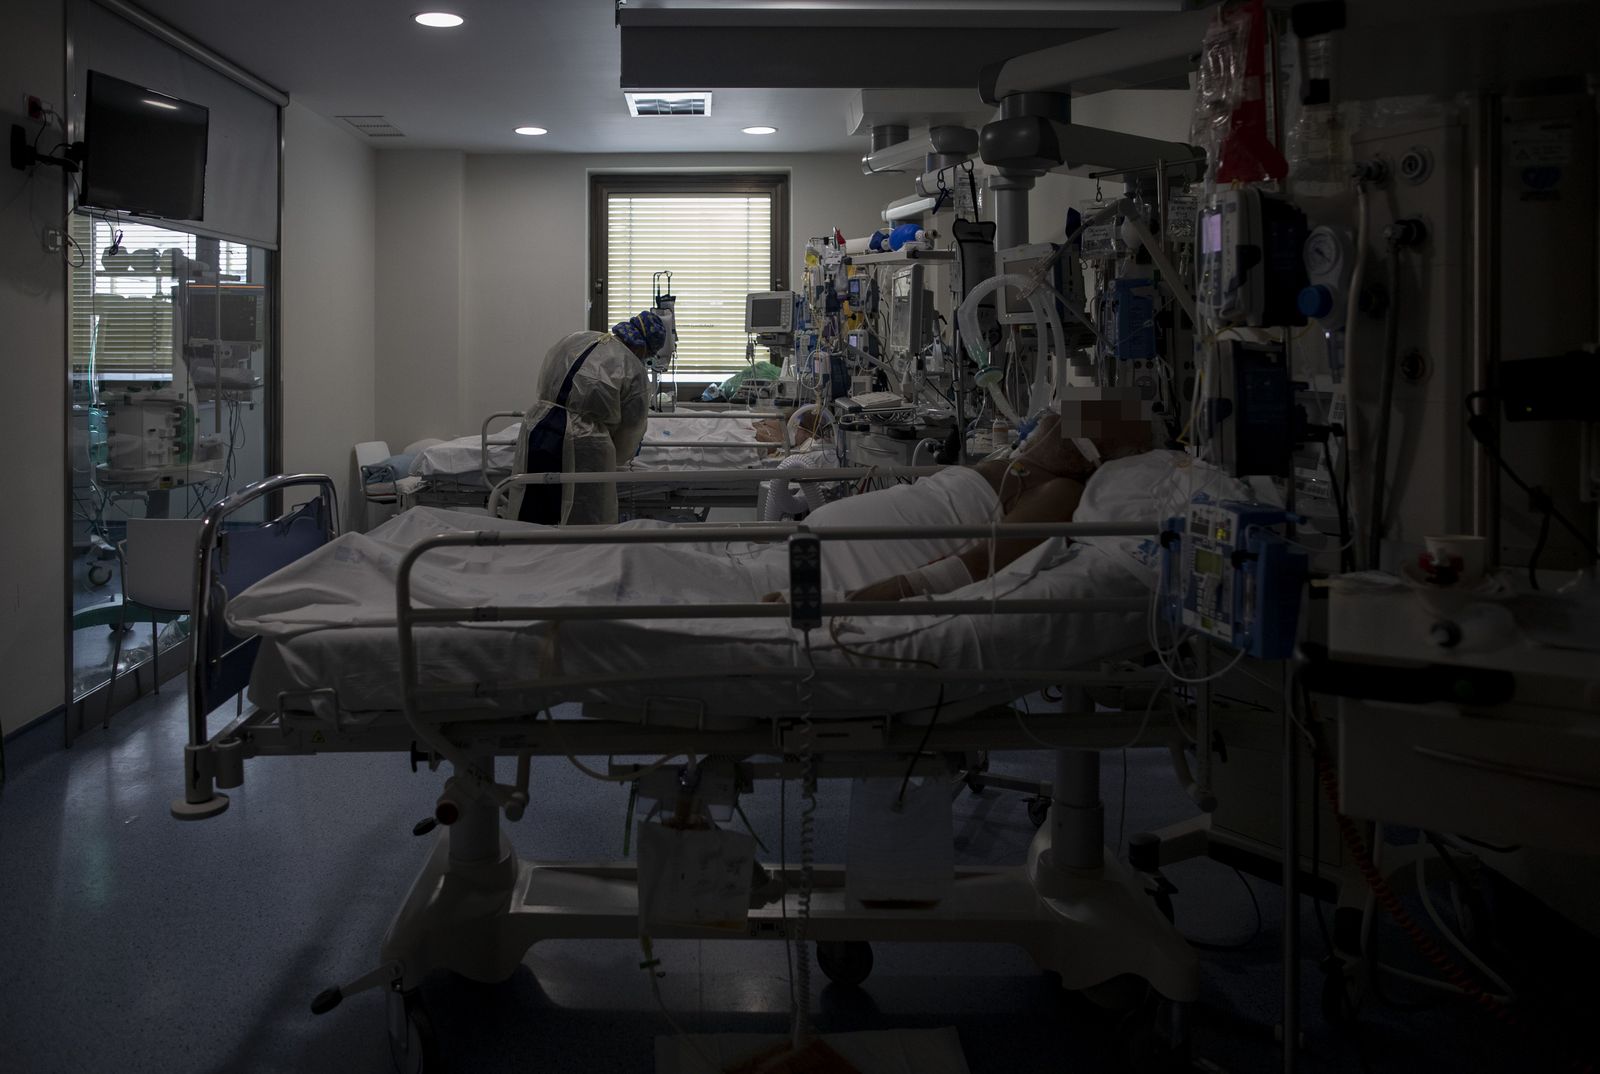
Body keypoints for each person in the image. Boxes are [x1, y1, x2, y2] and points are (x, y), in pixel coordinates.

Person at [764, 398, 1154, 603]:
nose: (1047, 420)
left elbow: (975, 565)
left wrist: (845, 601)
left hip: (856, 564)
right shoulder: (1010, 464)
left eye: (1065, 419)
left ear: (1087, 454)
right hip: (814, 546)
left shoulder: (1059, 492)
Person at [508, 311, 668, 525]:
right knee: (583, 519)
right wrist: (623, 454)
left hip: (537, 424)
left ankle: (527, 552)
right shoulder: (632, 367)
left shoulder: (578, 338)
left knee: (531, 507)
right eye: (648, 355)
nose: (645, 359)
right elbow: (631, 427)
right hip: (584, 441)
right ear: (643, 347)